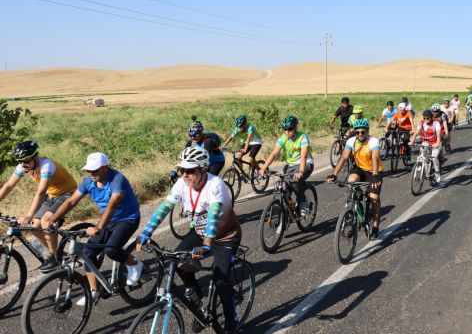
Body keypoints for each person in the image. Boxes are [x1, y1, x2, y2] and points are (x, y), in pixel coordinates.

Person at [137, 147, 241, 333]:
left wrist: (207, 244)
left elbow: (214, 214)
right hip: (200, 233)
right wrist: (146, 232)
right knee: (175, 261)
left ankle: (232, 323)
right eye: (182, 170)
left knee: (221, 281)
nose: (185, 174)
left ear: (203, 169)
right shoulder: (182, 184)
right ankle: (198, 302)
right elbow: (165, 207)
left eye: (190, 170)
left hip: (225, 237)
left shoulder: (216, 184)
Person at [46, 152, 143, 305]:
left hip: (127, 219)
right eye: (89, 170)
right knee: (87, 253)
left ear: (105, 167)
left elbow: (112, 205)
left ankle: (135, 264)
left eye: (95, 170)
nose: (91, 173)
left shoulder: (118, 180)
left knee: (112, 250)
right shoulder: (88, 182)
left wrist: (98, 227)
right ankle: (94, 291)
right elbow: (71, 201)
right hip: (108, 221)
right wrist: (53, 218)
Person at [0, 141, 77, 273]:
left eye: (26, 161)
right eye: (20, 161)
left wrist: (29, 215)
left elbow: (41, 192)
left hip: (68, 193)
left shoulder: (46, 165)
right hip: (52, 195)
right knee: (35, 227)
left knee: (47, 220)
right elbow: (8, 186)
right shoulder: (24, 166)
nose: (23, 164)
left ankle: (54, 258)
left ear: (35, 157)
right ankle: (60, 253)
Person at [327, 118, 383, 239]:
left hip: (374, 171)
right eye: (357, 132)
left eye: (363, 132)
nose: (360, 135)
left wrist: (374, 177)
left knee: (374, 199)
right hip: (359, 169)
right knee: (351, 182)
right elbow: (343, 158)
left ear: (367, 131)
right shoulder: (352, 141)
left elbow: (374, 159)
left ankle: (376, 225)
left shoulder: (373, 141)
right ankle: (356, 204)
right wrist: (334, 174)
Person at [258, 115, 314, 216]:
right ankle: (286, 215)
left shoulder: (302, 137)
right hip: (291, 166)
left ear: (295, 127)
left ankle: (303, 201)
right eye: (285, 129)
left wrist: (301, 171)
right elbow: (274, 153)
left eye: (290, 129)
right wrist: (264, 168)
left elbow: (303, 156)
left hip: (305, 164)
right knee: (283, 188)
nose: (287, 131)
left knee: (294, 181)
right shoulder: (283, 138)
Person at [408, 109, 442, 184]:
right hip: (426, 142)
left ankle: (437, 172)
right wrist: (411, 141)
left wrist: (437, 143)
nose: (425, 119)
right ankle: (420, 165)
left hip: (435, 143)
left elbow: (439, 136)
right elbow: (416, 133)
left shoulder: (436, 124)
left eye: (427, 118)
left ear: (431, 117)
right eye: (424, 118)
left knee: (434, 156)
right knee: (422, 154)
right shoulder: (422, 123)